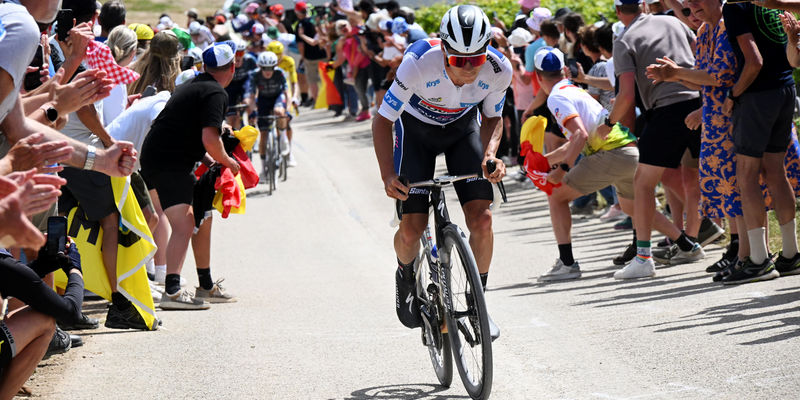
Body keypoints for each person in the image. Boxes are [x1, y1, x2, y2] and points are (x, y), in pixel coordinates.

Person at [371, 5, 510, 339]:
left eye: (475, 59)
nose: (469, 69)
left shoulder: (498, 69)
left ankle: (477, 307)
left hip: (462, 131)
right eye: (459, 60)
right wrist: (388, 175)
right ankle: (406, 274)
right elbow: (383, 121)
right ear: (444, 50)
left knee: (483, 219)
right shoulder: (417, 63)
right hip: (415, 133)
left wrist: (491, 155)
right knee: (411, 231)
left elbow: (492, 118)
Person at [605, 0, 704, 279]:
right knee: (696, 179)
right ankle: (696, 242)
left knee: (642, 183)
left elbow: (626, 96)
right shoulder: (675, 22)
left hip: (667, 110)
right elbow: (702, 61)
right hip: (702, 103)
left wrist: (608, 123)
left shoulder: (625, 40)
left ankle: (644, 257)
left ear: (618, 11)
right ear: (643, 5)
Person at [140, 43, 239, 309]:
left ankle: (201, 285)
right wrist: (228, 161)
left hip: (158, 158)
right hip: (169, 162)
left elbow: (189, 132)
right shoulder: (216, 93)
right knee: (185, 224)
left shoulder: (192, 86)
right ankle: (172, 292)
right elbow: (209, 137)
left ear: (205, 67)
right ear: (231, 68)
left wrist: (209, 159)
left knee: (194, 219)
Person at [527, 47, 638, 281]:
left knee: (557, 196)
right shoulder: (574, 90)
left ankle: (567, 264)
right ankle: (682, 243)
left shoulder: (557, 97)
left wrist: (562, 169)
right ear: (564, 71)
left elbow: (579, 137)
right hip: (629, 147)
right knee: (632, 207)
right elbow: (575, 141)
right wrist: (544, 161)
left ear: (538, 77)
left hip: (610, 152)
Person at [720, 1, 799, 282]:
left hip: (757, 96)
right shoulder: (772, 4)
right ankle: (790, 254)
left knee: (747, 174)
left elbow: (754, 61)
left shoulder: (734, 7)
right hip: (785, 89)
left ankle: (758, 260)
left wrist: (733, 94)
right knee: (776, 172)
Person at [246, 51, 291, 173]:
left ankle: (283, 137)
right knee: (264, 135)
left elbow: (287, 93)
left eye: (270, 68)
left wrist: (287, 109)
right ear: (260, 67)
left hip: (277, 97)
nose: (268, 71)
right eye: (265, 68)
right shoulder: (255, 75)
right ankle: (263, 167)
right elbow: (251, 95)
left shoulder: (279, 73)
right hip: (263, 100)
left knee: (279, 111)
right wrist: (253, 111)